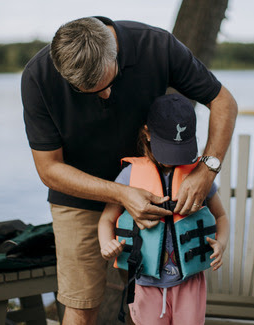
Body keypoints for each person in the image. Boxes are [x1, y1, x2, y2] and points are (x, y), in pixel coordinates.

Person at [21, 16, 237, 324]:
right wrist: (122, 193)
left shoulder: (157, 46)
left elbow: (223, 101)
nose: (106, 96)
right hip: (78, 195)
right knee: (81, 304)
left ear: (116, 52)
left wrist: (206, 170)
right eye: (91, 91)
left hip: (154, 190)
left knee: (148, 294)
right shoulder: (38, 77)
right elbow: (49, 169)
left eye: (110, 83)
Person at [98, 93, 229, 325]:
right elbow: (107, 219)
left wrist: (221, 243)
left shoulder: (199, 176)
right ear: (147, 133)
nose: (174, 158)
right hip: (145, 283)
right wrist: (106, 243)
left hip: (189, 283)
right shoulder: (129, 175)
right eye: (168, 149)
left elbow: (221, 216)